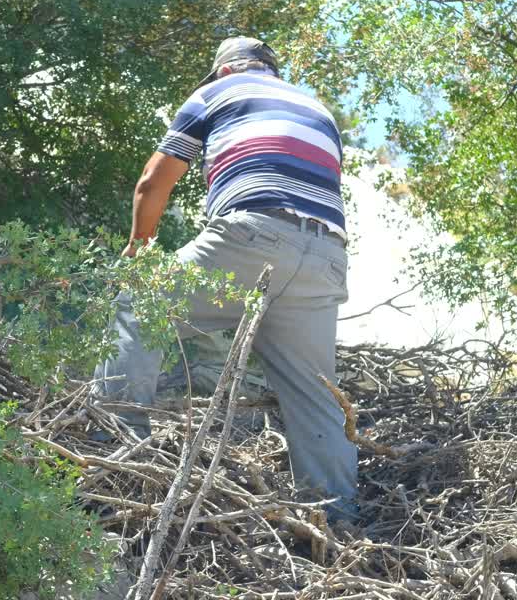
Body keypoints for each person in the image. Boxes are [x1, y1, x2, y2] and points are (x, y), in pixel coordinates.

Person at [93, 36, 358, 522]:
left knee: (142, 302)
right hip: (327, 256)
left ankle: (113, 454)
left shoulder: (217, 93)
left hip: (255, 234)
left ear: (223, 71)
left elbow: (153, 181)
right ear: (273, 71)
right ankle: (337, 522)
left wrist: (140, 248)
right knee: (316, 397)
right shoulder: (318, 110)